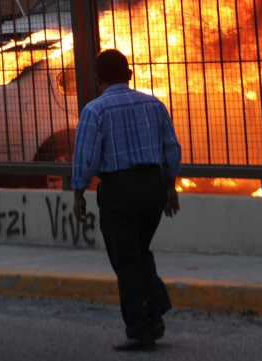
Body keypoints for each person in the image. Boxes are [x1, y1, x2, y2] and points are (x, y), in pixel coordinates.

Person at [71, 49, 182, 352]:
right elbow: (170, 148)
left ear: (97, 78)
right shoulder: (154, 104)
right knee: (140, 250)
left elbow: (86, 157)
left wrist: (78, 194)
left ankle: (139, 330)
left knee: (126, 259)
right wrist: (170, 188)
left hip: (119, 190)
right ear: (130, 75)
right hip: (153, 187)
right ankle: (154, 312)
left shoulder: (95, 111)